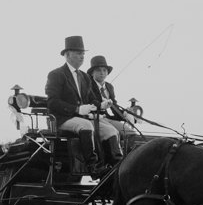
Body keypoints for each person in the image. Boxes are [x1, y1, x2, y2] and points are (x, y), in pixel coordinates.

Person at [44, 36, 122, 175]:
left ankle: (117, 169)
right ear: (67, 55)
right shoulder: (56, 74)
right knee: (86, 126)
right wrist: (77, 109)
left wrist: (102, 105)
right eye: (78, 53)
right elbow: (52, 102)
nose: (82, 57)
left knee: (111, 131)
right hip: (62, 119)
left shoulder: (85, 77)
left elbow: (92, 100)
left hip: (84, 117)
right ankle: (94, 167)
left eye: (83, 54)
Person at [85, 55, 139, 141]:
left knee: (131, 134)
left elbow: (114, 106)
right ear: (92, 73)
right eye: (98, 70)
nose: (102, 73)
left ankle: (128, 154)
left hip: (108, 118)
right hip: (95, 119)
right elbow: (91, 103)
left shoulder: (109, 87)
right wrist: (101, 105)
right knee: (113, 134)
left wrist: (125, 113)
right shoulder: (87, 85)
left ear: (107, 72)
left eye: (104, 70)